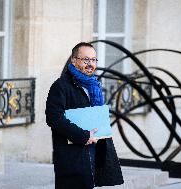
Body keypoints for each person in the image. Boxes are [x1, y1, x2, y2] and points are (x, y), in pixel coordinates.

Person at [46, 42, 124, 189]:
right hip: (72, 154)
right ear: (74, 61)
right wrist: (83, 136)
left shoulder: (94, 85)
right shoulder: (61, 85)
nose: (90, 64)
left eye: (93, 60)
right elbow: (54, 118)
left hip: (94, 149)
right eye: (86, 60)